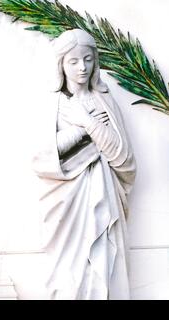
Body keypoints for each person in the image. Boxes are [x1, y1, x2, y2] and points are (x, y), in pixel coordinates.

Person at [31, 29, 136, 299]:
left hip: (105, 196)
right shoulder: (53, 104)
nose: (82, 68)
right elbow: (42, 157)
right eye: (74, 61)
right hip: (66, 203)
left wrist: (88, 122)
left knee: (104, 265)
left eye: (88, 59)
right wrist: (81, 129)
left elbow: (124, 160)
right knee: (70, 275)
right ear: (61, 65)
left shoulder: (104, 100)